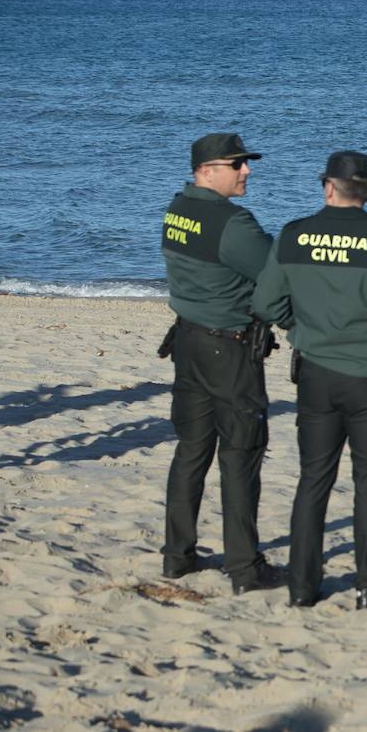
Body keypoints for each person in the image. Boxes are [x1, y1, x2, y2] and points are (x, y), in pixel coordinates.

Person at [252, 151, 367, 609]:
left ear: (328, 187)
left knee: (314, 480)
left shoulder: (293, 235)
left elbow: (267, 302)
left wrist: (303, 329)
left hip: (316, 372)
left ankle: (302, 587)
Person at [159, 132, 284, 595]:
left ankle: (177, 556)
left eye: (245, 163)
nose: (246, 171)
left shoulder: (177, 209)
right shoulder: (232, 223)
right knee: (241, 453)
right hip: (228, 349)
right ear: (208, 170)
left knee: (191, 449)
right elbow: (277, 272)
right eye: (238, 164)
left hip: (188, 340)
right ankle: (245, 568)